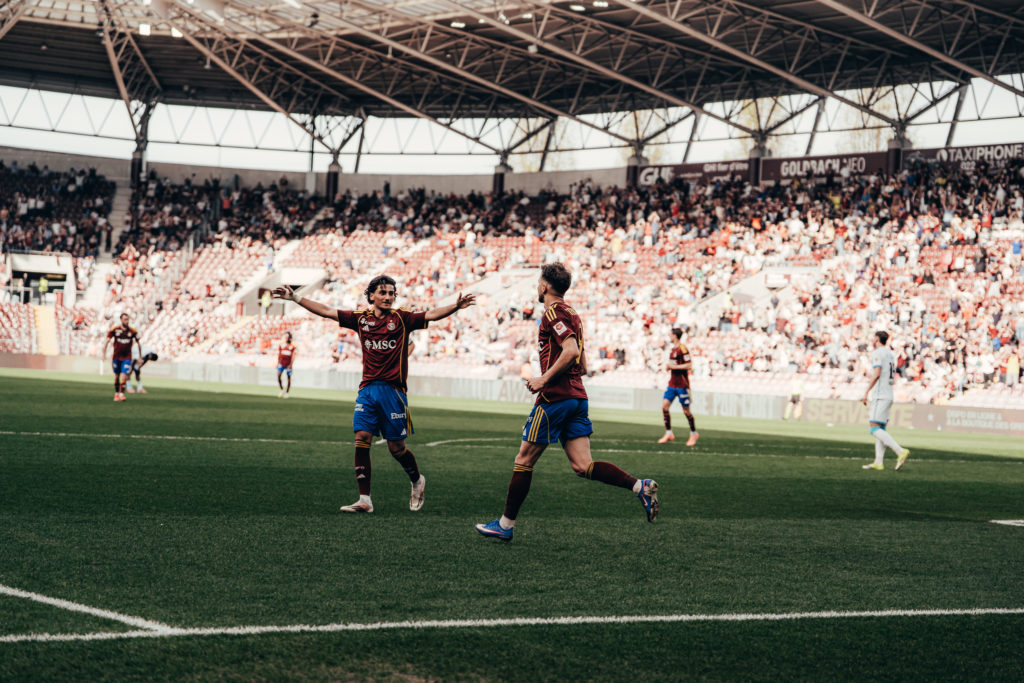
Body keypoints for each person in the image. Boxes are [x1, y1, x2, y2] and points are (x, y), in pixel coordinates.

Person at [475, 263, 659, 542]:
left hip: (555, 398)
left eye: (539, 282)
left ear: (544, 286)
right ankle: (639, 487)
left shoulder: (553, 312)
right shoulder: (573, 314)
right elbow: (582, 363)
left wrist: (544, 379)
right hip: (577, 397)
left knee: (524, 460)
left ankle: (505, 525)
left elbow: (571, 351)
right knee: (583, 466)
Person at [273, 275, 476, 513]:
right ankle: (365, 500)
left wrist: (455, 306)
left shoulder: (402, 318)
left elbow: (431, 314)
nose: (388, 297)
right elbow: (327, 311)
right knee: (362, 437)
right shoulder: (361, 319)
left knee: (396, 449)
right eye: (383, 292)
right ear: (371, 296)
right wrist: (295, 298)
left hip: (393, 392)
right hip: (367, 389)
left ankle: (417, 480)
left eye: (391, 293)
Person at [861, 330, 911, 471]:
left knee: (874, 428)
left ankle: (900, 451)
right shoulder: (890, 354)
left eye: (873, 338)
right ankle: (878, 462)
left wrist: (866, 391)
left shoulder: (877, 353)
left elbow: (877, 373)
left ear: (877, 339)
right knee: (881, 428)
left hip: (880, 394)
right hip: (889, 393)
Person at [658, 327, 699, 446]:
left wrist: (673, 367)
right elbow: (674, 364)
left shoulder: (683, 349)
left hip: (682, 385)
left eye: (670, 335)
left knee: (686, 411)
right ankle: (669, 433)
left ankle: (693, 433)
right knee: (664, 407)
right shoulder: (672, 350)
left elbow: (689, 365)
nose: (669, 337)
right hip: (672, 384)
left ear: (675, 336)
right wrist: (668, 366)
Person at [103, 313, 141, 403]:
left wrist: (140, 356)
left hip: (127, 358)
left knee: (124, 376)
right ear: (121, 320)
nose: (127, 321)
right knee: (117, 376)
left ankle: (121, 394)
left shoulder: (132, 331)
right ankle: (116, 393)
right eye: (125, 319)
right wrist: (104, 354)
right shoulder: (115, 330)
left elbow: (139, 343)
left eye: (127, 319)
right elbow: (107, 341)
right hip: (116, 357)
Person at [277, 331, 296, 398]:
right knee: (278, 376)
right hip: (282, 363)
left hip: (288, 365)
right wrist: (278, 362)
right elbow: (279, 354)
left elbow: (293, 356)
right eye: (286, 337)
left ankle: (287, 392)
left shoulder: (293, 346)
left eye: (288, 337)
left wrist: (291, 364)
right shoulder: (281, 344)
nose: (287, 338)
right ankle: (282, 389)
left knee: (288, 378)